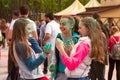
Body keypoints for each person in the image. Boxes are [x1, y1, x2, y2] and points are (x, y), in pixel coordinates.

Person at [50, 16, 79, 80]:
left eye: (64, 24)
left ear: (72, 25)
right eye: (60, 24)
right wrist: (53, 62)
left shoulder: (77, 39)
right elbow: (55, 53)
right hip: (60, 73)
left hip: (73, 74)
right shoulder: (59, 36)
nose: (61, 26)